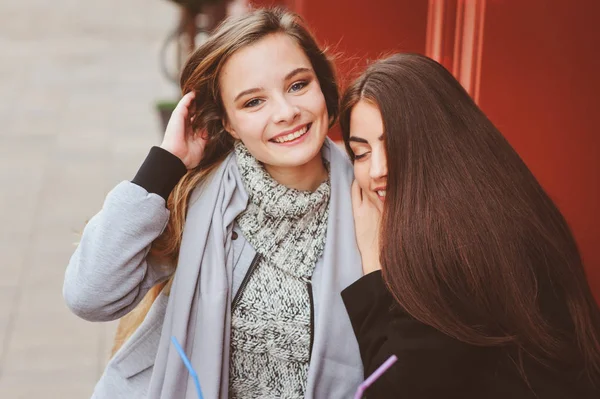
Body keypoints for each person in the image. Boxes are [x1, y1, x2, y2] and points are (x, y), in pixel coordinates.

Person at [63, 8, 364, 399]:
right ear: (229, 124)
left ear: (322, 87)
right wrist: (163, 166)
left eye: (298, 85)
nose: (287, 112)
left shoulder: (370, 198)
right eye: (254, 102)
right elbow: (90, 295)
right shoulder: (198, 200)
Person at [339, 53, 600, 398]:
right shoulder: (496, 210)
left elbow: (390, 390)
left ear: (435, 142)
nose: (377, 170)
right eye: (361, 152)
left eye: (394, 143)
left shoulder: (452, 248)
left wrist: (373, 267)